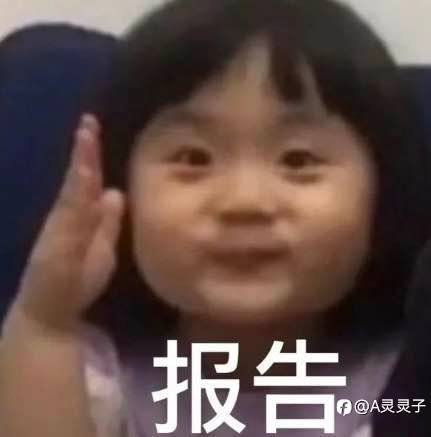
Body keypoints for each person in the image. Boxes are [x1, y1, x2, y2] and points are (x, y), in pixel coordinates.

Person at [1, 0, 430, 436]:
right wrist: (44, 322)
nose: (244, 201)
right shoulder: (93, 377)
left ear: (384, 194)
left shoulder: (402, 384)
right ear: (122, 194)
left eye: (298, 160)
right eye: (194, 158)